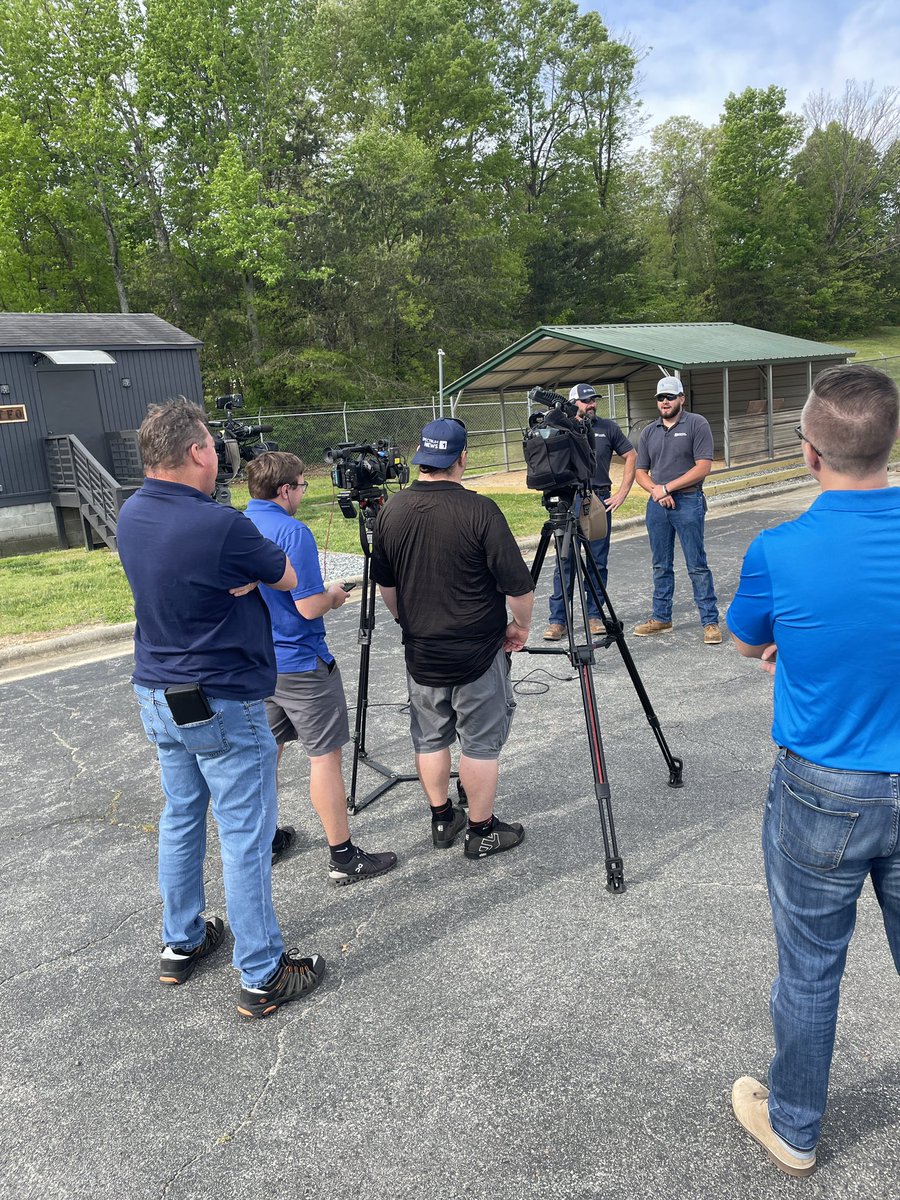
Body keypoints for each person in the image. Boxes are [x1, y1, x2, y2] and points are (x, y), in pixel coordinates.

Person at [726, 363, 900, 1178]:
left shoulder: (778, 549)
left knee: (810, 965)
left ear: (809, 452)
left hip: (823, 787)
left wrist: (792, 647)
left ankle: (796, 1126)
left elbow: (747, 635)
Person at [117, 399, 326, 1019]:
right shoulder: (221, 525)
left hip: (158, 690)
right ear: (197, 454)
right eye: (212, 446)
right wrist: (246, 572)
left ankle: (181, 942)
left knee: (182, 817)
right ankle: (262, 973)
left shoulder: (132, 512)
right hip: (222, 698)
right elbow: (286, 577)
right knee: (244, 833)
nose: (219, 455)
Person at [370, 418, 535, 859]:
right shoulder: (481, 512)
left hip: (422, 650)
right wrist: (519, 627)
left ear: (423, 456)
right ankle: (481, 830)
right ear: (461, 458)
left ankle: (442, 816)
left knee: (430, 737)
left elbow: (386, 586)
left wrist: (407, 620)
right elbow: (518, 588)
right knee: (479, 744)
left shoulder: (392, 510)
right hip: (477, 651)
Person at [244, 451, 398, 886]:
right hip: (301, 662)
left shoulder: (238, 524)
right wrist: (333, 595)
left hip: (257, 663)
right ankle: (343, 857)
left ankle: (265, 840)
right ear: (285, 489)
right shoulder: (292, 532)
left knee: (263, 757)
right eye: (301, 485)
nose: (303, 493)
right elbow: (308, 606)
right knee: (324, 756)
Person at [543, 383, 636, 641]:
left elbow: (631, 455)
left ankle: (595, 615)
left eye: (593, 400)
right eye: (586, 401)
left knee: (597, 561)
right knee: (565, 561)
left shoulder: (608, 428)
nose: (592, 405)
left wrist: (622, 493)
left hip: (597, 499)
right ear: (574, 403)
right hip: (567, 499)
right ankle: (558, 620)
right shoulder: (561, 428)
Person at [633, 376, 721, 644]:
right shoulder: (649, 431)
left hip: (688, 502)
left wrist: (667, 488)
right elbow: (640, 471)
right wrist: (657, 492)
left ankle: (710, 621)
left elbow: (703, 466)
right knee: (661, 564)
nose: (665, 402)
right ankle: (661, 618)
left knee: (697, 564)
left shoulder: (697, 424)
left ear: (681, 398)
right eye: (661, 398)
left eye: (670, 397)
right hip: (658, 505)